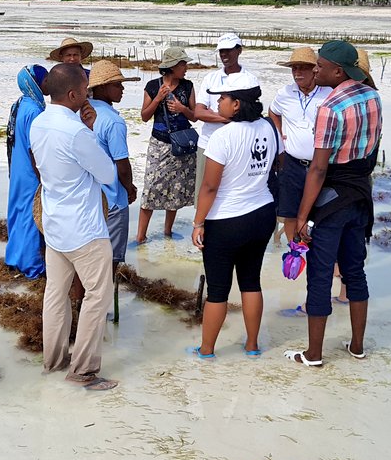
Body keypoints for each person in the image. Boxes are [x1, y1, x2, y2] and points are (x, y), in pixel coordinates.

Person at [285, 41, 382, 369]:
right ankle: (357, 346)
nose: (315, 70)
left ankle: (313, 354)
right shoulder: (373, 97)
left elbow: (318, 168)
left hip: (332, 199)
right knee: (355, 271)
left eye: (320, 66)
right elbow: (370, 155)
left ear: (338, 72)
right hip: (361, 195)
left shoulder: (330, 107)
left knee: (320, 274)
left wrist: (301, 216)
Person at [29, 63, 118, 390]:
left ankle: (53, 363)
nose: (88, 94)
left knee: (55, 294)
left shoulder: (38, 123)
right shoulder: (77, 131)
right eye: (85, 88)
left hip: (54, 226)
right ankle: (83, 370)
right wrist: (91, 133)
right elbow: (107, 174)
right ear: (72, 94)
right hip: (85, 230)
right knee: (97, 296)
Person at [191, 71, 277, 357]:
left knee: (217, 290)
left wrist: (198, 222)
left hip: (226, 220)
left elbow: (210, 186)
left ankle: (206, 349)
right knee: (251, 281)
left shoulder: (223, 136)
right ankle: (252, 345)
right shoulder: (269, 128)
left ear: (237, 104)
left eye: (223, 98)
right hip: (262, 213)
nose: (218, 104)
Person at [268, 47, 333, 244]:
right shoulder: (285, 92)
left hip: (321, 166)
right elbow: (273, 112)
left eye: (303, 68)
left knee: (322, 211)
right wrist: (281, 134)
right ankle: (295, 251)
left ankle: (319, 251)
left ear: (315, 70)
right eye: (294, 68)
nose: (297, 73)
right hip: (292, 163)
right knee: (289, 211)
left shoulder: (329, 94)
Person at [135, 46, 196, 243]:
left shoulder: (188, 86)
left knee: (176, 189)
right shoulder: (153, 86)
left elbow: (194, 116)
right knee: (151, 188)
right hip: (159, 144)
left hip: (182, 145)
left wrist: (181, 108)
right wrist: (158, 98)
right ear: (171, 67)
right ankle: (141, 236)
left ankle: (168, 232)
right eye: (182, 64)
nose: (186, 67)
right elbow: (144, 116)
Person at [87, 60, 140, 265]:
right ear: (102, 88)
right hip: (112, 199)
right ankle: (105, 296)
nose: (122, 89)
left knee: (88, 259)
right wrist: (129, 188)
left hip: (90, 197)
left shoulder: (81, 113)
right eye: (117, 85)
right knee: (110, 259)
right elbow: (122, 165)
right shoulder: (113, 121)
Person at [193, 33, 255, 196]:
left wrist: (213, 115)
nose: (224, 55)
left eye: (228, 50)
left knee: (232, 193)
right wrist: (230, 118)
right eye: (221, 51)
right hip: (208, 143)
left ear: (239, 50)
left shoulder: (250, 80)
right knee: (204, 191)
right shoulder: (211, 78)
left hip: (238, 145)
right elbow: (199, 112)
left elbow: (250, 115)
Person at [4, 64, 49, 279]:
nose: (48, 82)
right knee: (32, 217)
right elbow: (35, 149)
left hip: (18, 168)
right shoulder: (35, 110)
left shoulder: (20, 103)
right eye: (45, 78)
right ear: (35, 83)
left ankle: (14, 257)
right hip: (30, 172)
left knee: (18, 212)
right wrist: (43, 176)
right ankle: (32, 266)